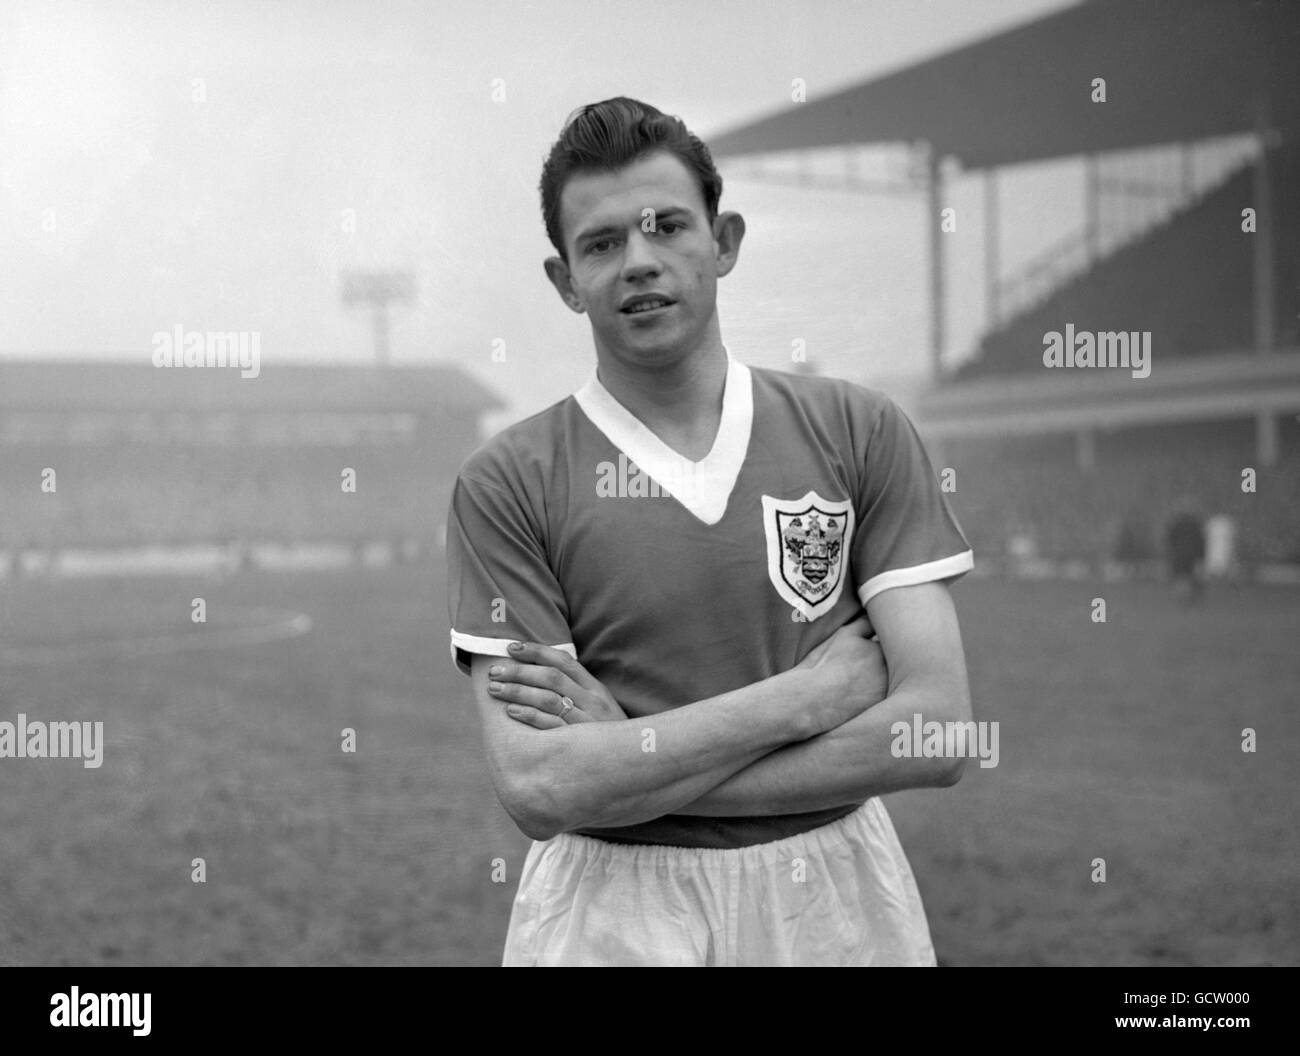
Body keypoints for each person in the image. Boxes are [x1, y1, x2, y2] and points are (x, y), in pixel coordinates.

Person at [445, 98, 975, 966]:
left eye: (667, 227)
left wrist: (629, 761)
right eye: (602, 242)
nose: (640, 262)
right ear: (564, 280)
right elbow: (542, 787)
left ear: (723, 240)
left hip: (834, 900)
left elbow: (939, 730)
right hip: (613, 903)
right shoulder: (508, 481)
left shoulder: (859, 430)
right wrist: (803, 701)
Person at [1165, 496, 1206, 604]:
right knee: (1190, 576)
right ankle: (1190, 598)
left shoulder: (1177, 524)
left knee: (1180, 576)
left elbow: (1170, 539)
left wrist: (1171, 552)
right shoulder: (1195, 524)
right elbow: (1201, 542)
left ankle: (1182, 598)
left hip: (1179, 554)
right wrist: (1201, 556)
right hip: (1191, 555)